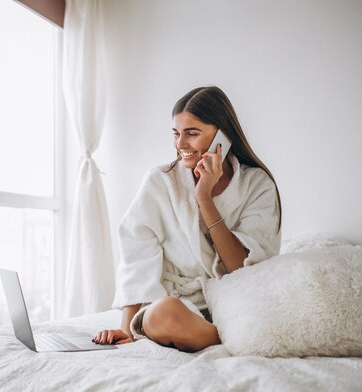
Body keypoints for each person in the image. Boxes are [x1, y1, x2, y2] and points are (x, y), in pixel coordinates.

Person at [92, 86, 281, 352]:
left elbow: (241, 266)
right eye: (176, 133)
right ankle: (228, 337)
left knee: (260, 311)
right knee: (163, 313)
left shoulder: (256, 185)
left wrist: (204, 198)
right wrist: (126, 329)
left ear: (222, 136)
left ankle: (224, 331)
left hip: (232, 300)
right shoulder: (161, 182)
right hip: (173, 304)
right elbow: (137, 252)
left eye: (192, 133)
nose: (181, 144)